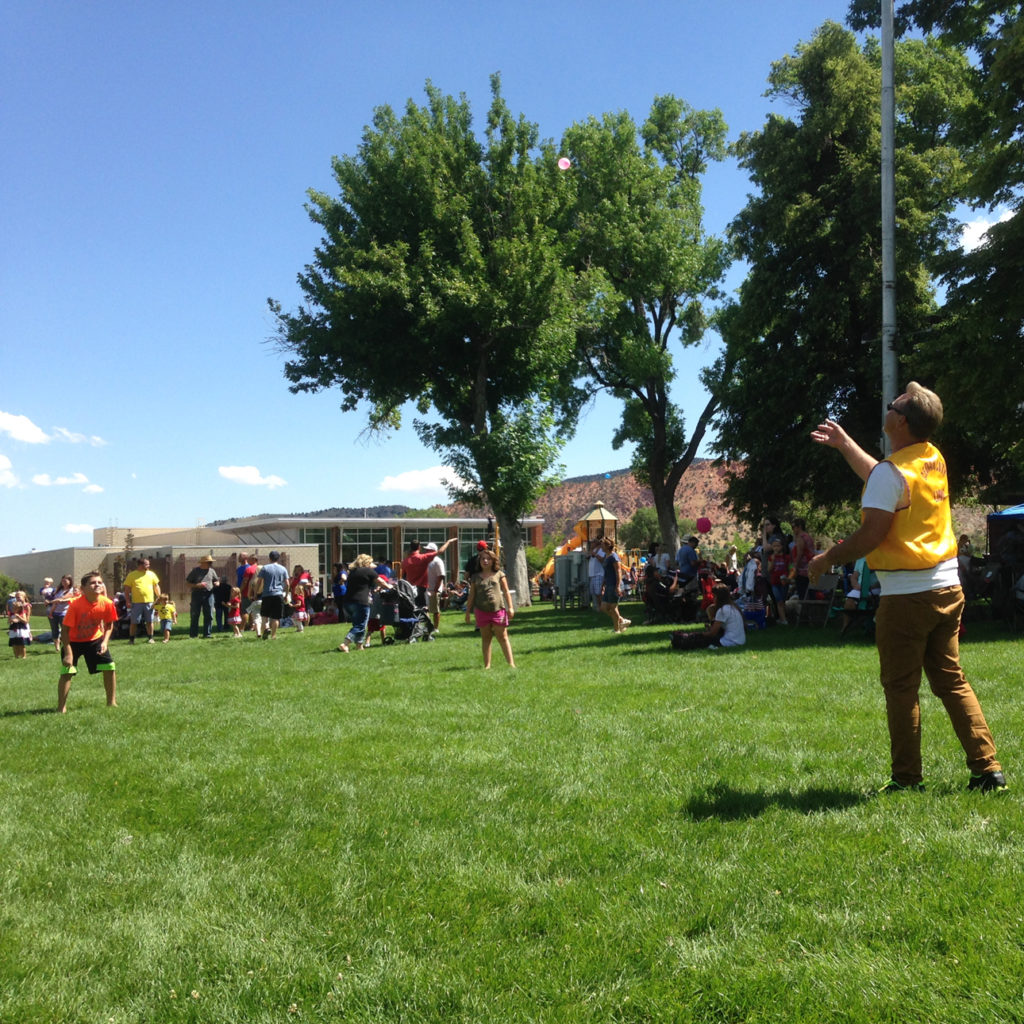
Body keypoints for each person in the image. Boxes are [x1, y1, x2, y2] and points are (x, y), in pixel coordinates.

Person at [809, 382, 1005, 793]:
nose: (888, 405)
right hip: (948, 588)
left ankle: (906, 779)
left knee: (901, 688)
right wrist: (846, 445)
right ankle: (989, 771)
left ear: (900, 419)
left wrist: (827, 558)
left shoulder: (892, 472)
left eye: (892, 404)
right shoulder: (931, 459)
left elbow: (871, 535)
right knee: (951, 680)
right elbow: (884, 481)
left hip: (907, 596)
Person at [57, 571, 118, 713]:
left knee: (109, 667)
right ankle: (61, 708)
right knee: (67, 671)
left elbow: (109, 625)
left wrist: (105, 642)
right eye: (92, 582)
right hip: (72, 641)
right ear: (83, 588)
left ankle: (111, 703)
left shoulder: (107, 603)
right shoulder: (75, 605)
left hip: (95, 640)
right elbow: (64, 631)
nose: (97, 584)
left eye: (99, 582)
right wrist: (68, 653)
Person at [464, 547, 516, 668]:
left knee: (503, 637)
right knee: (486, 638)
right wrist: (467, 612)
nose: (485, 561)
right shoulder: (476, 577)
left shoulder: (499, 574)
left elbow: (506, 592)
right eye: (483, 559)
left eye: (488, 559)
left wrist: (511, 608)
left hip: (498, 611)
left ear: (493, 561)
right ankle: (487, 665)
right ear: (479, 561)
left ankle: (511, 664)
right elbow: (471, 596)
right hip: (481, 611)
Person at [337, 553, 385, 652]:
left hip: (348, 603)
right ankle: (345, 643)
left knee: (359, 624)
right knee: (360, 625)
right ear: (367, 563)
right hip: (361, 602)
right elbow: (381, 582)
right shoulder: (368, 570)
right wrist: (390, 587)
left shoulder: (353, 572)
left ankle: (359, 646)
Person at [673, 584, 746, 649]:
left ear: (719, 597)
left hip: (729, 642)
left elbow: (712, 633)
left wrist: (700, 634)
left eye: (714, 596)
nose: (713, 599)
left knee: (698, 639)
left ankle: (680, 639)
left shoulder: (723, 610)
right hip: (740, 641)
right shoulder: (733, 607)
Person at [402, 537, 457, 607]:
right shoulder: (423, 557)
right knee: (423, 610)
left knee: (413, 611)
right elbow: (440, 551)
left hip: (410, 590)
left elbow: (403, 576)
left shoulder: (405, 561)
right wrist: (448, 542)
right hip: (421, 589)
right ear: (419, 547)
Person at [123, 555, 161, 644]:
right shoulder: (132, 575)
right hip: (136, 603)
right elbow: (127, 589)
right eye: (147, 564)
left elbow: (156, 586)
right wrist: (128, 600)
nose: (149, 566)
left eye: (149, 564)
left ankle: (151, 638)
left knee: (150, 621)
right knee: (134, 622)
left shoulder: (151, 574)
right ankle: (131, 639)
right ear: (140, 565)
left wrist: (159, 597)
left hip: (149, 602)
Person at [255, 550, 289, 639]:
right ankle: (273, 635)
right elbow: (287, 584)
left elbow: (259, 582)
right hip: (278, 594)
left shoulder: (265, 568)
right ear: (278, 558)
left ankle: (266, 628)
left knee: (264, 615)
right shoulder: (283, 569)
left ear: (269, 558)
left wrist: (255, 592)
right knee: (276, 617)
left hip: (267, 594)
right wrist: (286, 595)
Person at [599, 537, 631, 634]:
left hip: (614, 584)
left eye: (602, 545)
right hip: (608, 584)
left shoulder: (614, 557)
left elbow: (619, 571)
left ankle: (617, 629)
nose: (601, 546)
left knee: (613, 607)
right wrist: (603, 585)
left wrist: (617, 586)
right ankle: (622, 621)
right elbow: (606, 572)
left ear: (607, 546)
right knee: (603, 608)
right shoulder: (606, 556)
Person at [186, 555, 219, 639]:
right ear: (203, 563)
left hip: (209, 595)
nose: (210, 564)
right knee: (194, 615)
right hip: (196, 594)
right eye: (209, 562)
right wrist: (197, 585)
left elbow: (216, 580)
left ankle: (207, 634)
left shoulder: (212, 571)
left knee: (209, 615)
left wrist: (217, 583)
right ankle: (193, 635)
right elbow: (187, 583)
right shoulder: (195, 571)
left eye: (211, 562)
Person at [46, 574, 76, 653]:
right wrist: (48, 600)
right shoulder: (58, 589)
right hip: (53, 612)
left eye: (66, 580)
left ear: (70, 581)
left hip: (64, 613)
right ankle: (57, 646)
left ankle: (67, 645)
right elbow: (52, 597)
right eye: (63, 580)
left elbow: (62, 599)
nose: (64, 582)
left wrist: (50, 602)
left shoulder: (72, 590)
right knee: (54, 629)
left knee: (65, 630)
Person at [789, 518, 816, 600]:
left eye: (793, 527)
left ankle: (804, 611)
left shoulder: (801, 537)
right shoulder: (808, 537)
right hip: (811, 569)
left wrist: (795, 567)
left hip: (802, 571)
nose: (793, 530)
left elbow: (799, 553)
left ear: (799, 526)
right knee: (811, 594)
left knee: (803, 594)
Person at [426, 546, 446, 631]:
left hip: (434, 589)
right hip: (426, 588)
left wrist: (435, 590)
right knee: (425, 609)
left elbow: (441, 576)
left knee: (435, 610)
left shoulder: (438, 561)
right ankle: (428, 626)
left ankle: (435, 628)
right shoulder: (427, 560)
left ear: (434, 551)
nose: (426, 551)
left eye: (428, 550)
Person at [7, 590, 32, 659]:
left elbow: (27, 619)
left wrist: (19, 618)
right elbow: (10, 619)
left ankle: (23, 655)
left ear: (24, 597)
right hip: (15, 627)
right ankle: (17, 655)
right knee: (15, 643)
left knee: (21, 642)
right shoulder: (15, 606)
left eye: (19, 597)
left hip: (23, 625)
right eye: (16, 597)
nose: (17, 599)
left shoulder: (27, 606)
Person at [587, 539, 606, 612]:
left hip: (599, 574)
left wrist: (595, 554)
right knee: (593, 592)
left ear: (596, 543)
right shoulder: (593, 550)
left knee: (599, 592)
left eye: (592, 542)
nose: (591, 543)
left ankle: (602, 607)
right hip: (592, 575)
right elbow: (588, 556)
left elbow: (602, 559)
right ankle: (597, 607)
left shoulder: (601, 550)